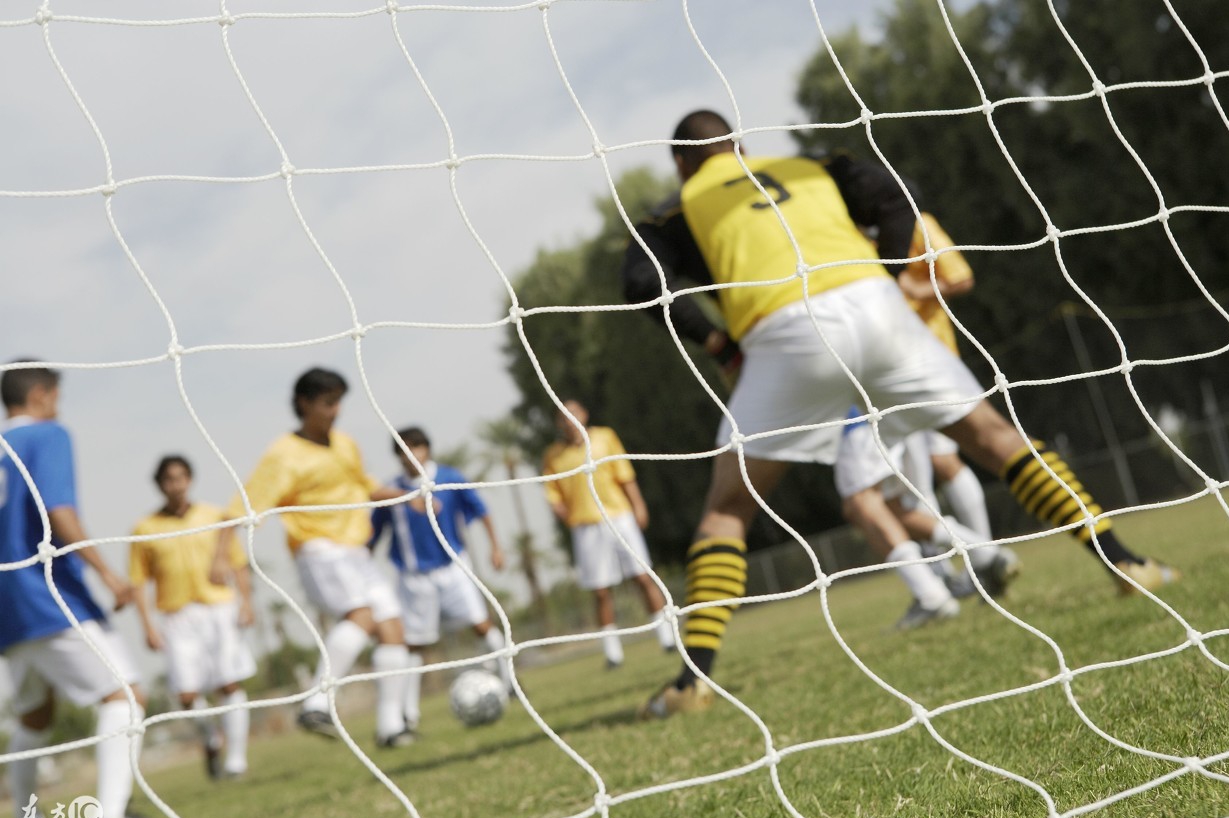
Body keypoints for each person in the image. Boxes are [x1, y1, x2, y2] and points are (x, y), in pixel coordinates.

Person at [620, 109, 1178, 719]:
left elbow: (643, 282)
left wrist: (719, 343)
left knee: (728, 508)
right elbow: (895, 194)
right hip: (876, 304)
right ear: (742, 146)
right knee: (993, 437)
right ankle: (1125, 560)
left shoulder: (673, 211)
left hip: (785, 329)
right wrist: (885, 269)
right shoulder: (811, 166)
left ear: (680, 163)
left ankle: (692, 680)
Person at [1, 360, 161, 818]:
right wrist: (109, 574)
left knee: (35, 718)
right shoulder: (46, 435)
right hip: (47, 596)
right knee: (126, 698)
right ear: (43, 395)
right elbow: (59, 511)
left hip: (6, 610)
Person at [833, 213, 1018, 629]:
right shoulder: (844, 231)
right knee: (904, 496)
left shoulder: (913, 224)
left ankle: (945, 584)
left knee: (866, 498)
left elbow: (960, 276)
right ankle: (975, 563)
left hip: (901, 376)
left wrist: (909, 287)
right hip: (893, 376)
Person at [213, 367, 415, 748]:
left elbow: (365, 485)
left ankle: (391, 728)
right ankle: (316, 700)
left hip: (356, 551)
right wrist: (221, 554)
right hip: (319, 550)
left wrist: (406, 497)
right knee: (364, 616)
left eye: (339, 402)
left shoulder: (345, 444)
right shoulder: (283, 456)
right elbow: (242, 505)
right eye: (327, 403)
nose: (335, 411)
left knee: (393, 629)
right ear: (304, 404)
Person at [370, 426, 511, 729]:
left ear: (427, 449)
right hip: (413, 577)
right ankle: (409, 713)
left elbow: (481, 510)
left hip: (452, 567)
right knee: (413, 645)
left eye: (415, 448)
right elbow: (375, 532)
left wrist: (495, 547)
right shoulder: (391, 491)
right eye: (403, 451)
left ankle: (510, 681)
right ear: (398, 457)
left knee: (481, 624)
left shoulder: (449, 478)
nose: (411, 456)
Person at [130, 454, 256, 779]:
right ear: (160, 485)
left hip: (218, 606)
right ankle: (211, 736)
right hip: (176, 614)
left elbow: (238, 562)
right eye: (169, 479)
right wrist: (146, 626)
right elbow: (138, 582)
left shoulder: (215, 516)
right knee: (187, 694)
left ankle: (236, 761)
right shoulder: (145, 529)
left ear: (190, 479)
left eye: (181, 477)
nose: (176, 485)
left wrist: (246, 602)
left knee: (229, 682)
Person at [541, 400, 675, 668]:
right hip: (587, 527)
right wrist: (565, 514)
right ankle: (613, 653)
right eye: (564, 416)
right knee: (601, 591)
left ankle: (667, 636)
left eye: (574, 413)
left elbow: (624, 473)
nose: (570, 420)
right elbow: (553, 495)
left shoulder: (605, 437)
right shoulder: (552, 456)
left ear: (584, 414)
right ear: (559, 423)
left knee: (643, 576)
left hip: (619, 517)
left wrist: (638, 505)